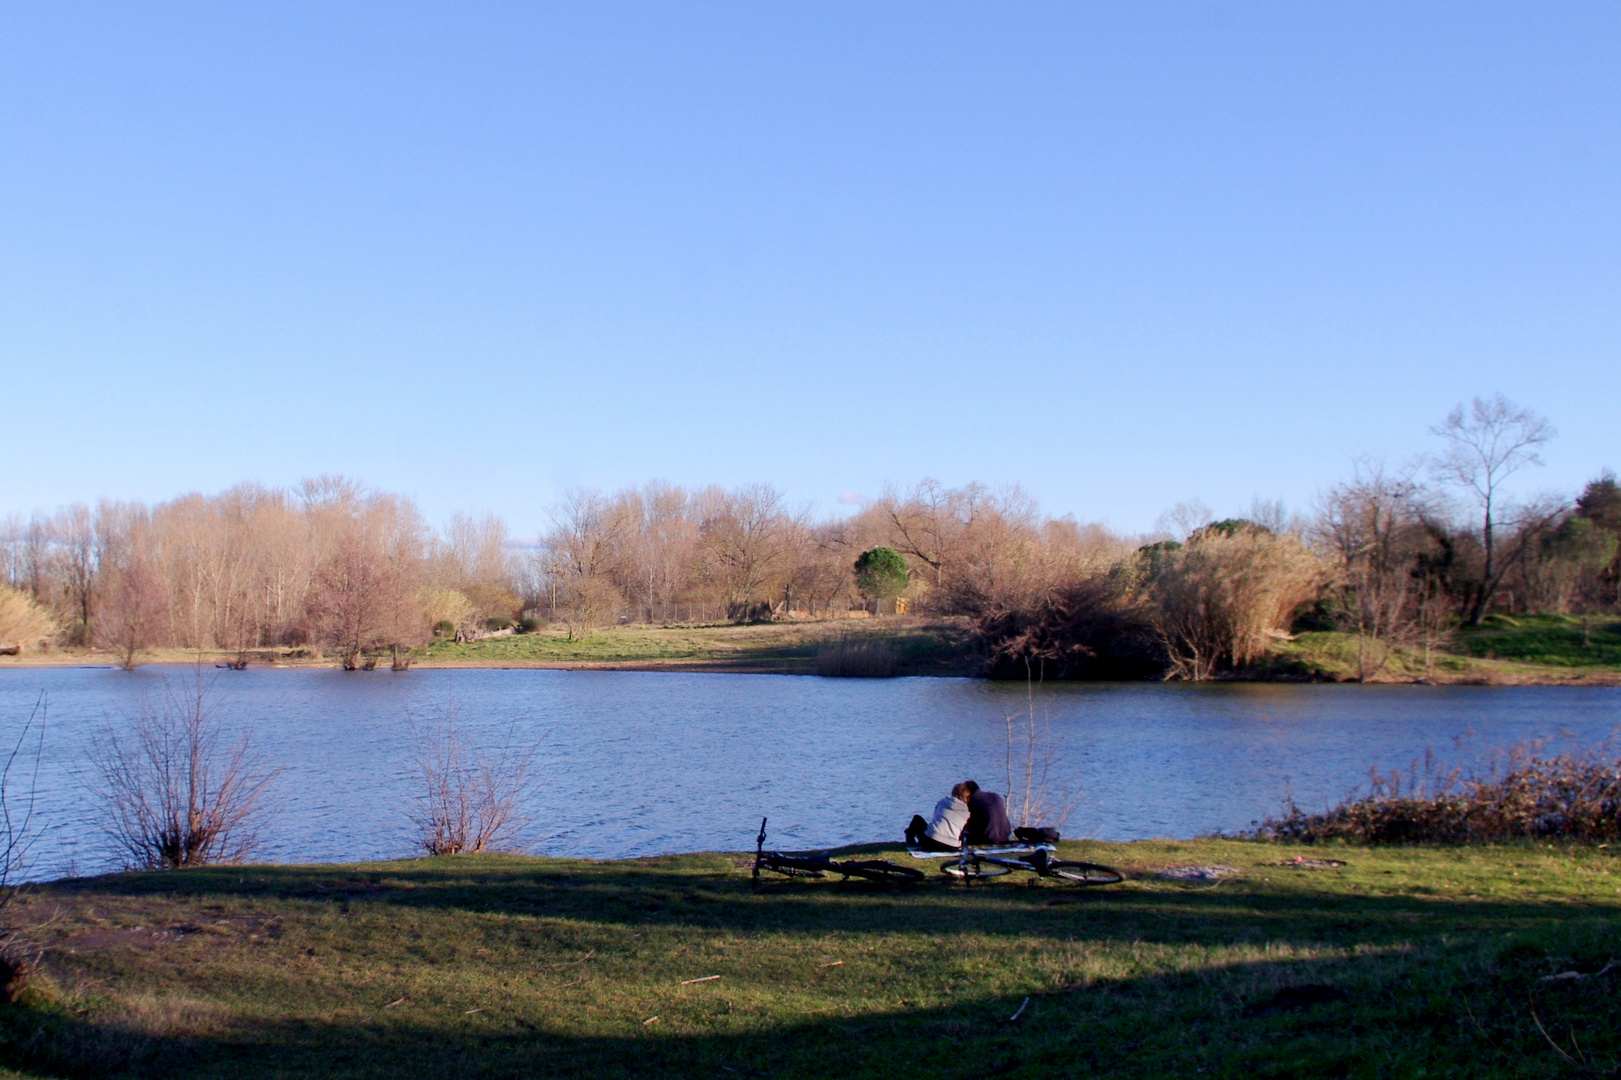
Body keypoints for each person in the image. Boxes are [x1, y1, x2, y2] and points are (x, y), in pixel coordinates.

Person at [904, 783, 972, 851]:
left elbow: (935, 817)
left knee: (917, 819)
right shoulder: (967, 812)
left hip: (932, 842)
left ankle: (910, 841)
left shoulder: (943, 802)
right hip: (953, 847)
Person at [963, 781, 1012, 846]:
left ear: (967, 793)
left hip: (989, 838)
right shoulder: (995, 796)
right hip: (1005, 836)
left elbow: (970, 825)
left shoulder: (973, 800)